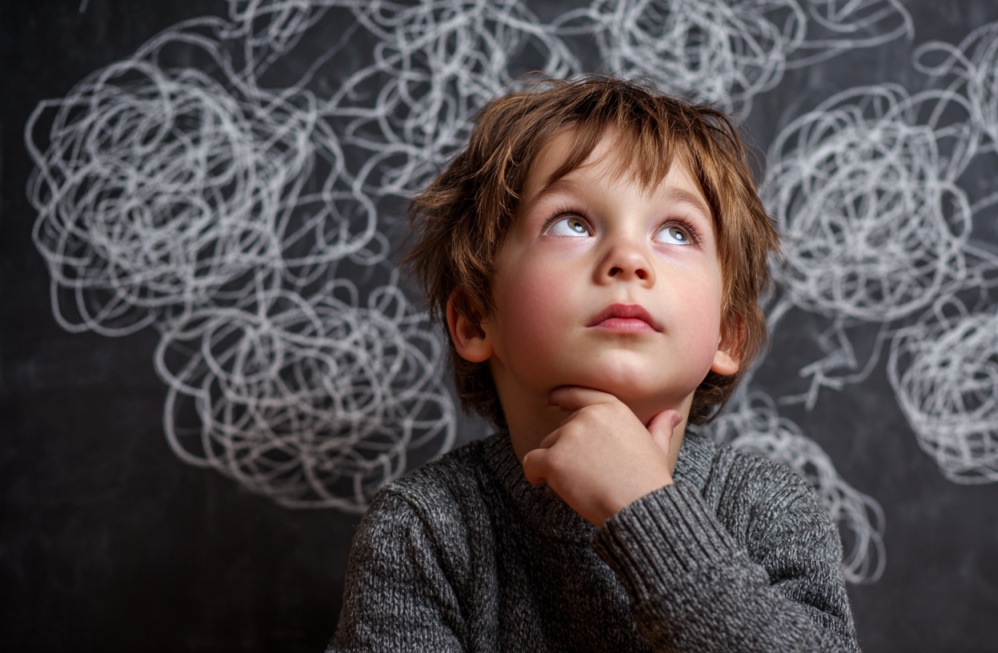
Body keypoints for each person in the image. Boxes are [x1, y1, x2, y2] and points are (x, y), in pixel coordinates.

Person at [326, 76, 859, 652]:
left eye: (676, 232)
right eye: (572, 223)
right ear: (478, 319)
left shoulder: (769, 508)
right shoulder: (423, 530)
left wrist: (646, 510)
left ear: (727, 336)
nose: (628, 258)